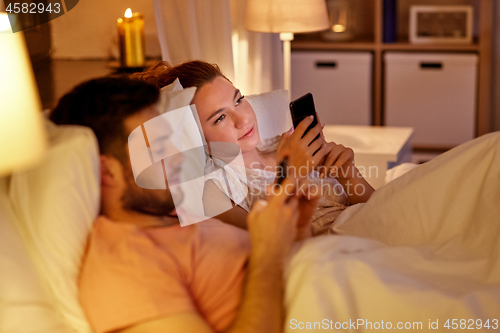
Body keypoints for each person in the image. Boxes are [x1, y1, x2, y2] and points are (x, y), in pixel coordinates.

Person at [50, 76, 320, 333]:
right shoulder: (125, 263)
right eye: (158, 148)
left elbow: (290, 276)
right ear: (107, 172)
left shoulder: (180, 216)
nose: (179, 156)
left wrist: (298, 228)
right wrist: (267, 253)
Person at [134, 60, 375, 235]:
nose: (243, 120)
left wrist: (348, 174)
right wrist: (289, 171)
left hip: (372, 230)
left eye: (238, 100)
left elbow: (377, 208)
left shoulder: (285, 143)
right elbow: (275, 244)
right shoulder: (215, 189)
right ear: (196, 136)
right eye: (220, 118)